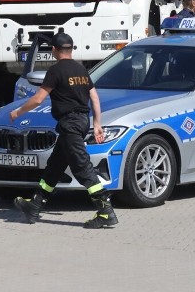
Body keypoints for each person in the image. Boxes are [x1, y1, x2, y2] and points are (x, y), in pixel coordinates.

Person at [9, 32, 118, 228]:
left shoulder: (55, 71)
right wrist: (97, 123)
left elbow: (38, 99)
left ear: (54, 50)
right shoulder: (81, 70)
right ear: (71, 49)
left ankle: (105, 211)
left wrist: (18, 111)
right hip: (81, 122)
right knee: (55, 166)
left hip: (69, 124)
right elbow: (94, 97)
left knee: (82, 167)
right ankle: (35, 205)